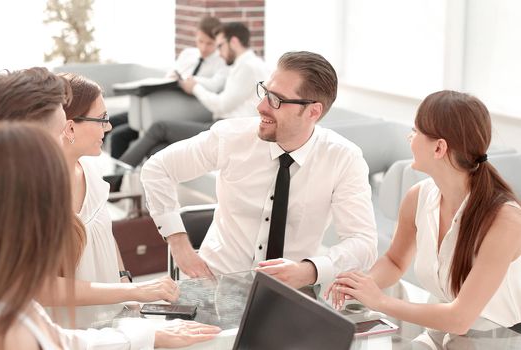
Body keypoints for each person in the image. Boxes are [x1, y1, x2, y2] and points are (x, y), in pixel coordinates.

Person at [141, 51, 377, 288]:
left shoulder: (344, 159)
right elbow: (157, 169)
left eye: (276, 99)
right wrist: (178, 243)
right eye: (265, 92)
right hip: (214, 283)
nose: (261, 106)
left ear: (313, 112)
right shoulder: (231, 137)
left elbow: (363, 242)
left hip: (289, 294)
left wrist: (308, 271)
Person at [0, 122, 221, 349]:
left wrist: (131, 301)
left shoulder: (18, 305)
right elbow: (57, 335)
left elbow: (61, 340)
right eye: (56, 132)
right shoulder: (12, 320)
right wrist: (138, 310)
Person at [0, 67, 179, 328]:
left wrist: (126, 285)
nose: (110, 125)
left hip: (107, 320)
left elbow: (104, 233)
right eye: (102, 118)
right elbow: (39, 286)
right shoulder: (23, 197)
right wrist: (134, 292)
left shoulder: (91, 172)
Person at [326, 90, 521, 334]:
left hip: (504, 338)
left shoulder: (505, 220)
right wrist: (362, 285)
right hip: (444, 334)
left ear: (439, 148)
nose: (410, 138)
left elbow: (460, 318)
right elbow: (395, 261)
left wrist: (381, 301)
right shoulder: (418, 196)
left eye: (416, 131)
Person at [120, 21, 269, 168]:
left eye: (220, 46)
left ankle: (113, 179)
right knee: (157, 149)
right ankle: (119, 183)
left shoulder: (247, 67)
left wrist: (195, 87)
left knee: (160, 128)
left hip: (227, 132)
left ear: (234, 42)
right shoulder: (248, 65)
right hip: (225, 128)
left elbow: (222, 106)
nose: (219, 53)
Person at [109, 15, 228, 159]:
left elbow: (215, 86)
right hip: (159, 106)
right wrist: (172, 78)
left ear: (218, 42)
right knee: (108, 122)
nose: (203, 47)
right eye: (200, 41)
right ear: (196, 36)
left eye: (209, 43)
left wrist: (191, 81)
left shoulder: (222, 62)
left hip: (182, 114)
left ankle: (115, 180)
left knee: (119, 135)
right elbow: (170, 76)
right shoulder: (188, 54)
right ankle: (91, 172)